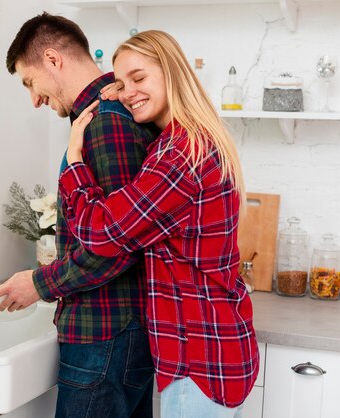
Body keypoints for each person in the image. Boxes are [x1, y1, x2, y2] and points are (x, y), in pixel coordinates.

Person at [60, 30, 259, 418]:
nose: (128, 91)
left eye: (139, 78)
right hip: (212, 349)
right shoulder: (187, 139)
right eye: (120, 83)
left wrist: (74, 158)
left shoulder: (180, 154)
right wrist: (118, 94)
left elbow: (103, 232)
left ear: (171, 74)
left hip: (199, 359)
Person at [0, 13, 159, 418]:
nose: (34, 99)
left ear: (52, 58)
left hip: (106, 334)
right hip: (119, 333)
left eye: (30, 82)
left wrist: (40, 284)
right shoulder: (105, 116)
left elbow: (118, 245)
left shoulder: (105, 124)